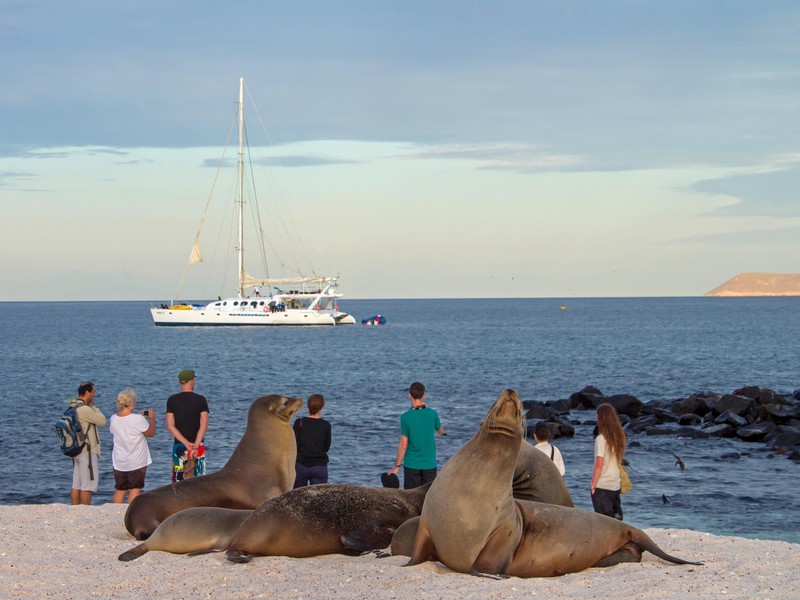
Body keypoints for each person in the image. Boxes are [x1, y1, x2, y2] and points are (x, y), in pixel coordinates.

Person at [388, 381, 445, 489]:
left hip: (411, 465)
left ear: (409, 395)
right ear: (424, 395)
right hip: (429, 464)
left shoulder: (405, 417)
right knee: (427, 499)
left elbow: (403, 444)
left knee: (411, 498)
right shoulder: (432, 413)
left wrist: (397, 466)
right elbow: (441, 431)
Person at [109, 388, 156, 503]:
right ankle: (130, 514)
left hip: (120, 461)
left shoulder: (113, 418)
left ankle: (114, 514)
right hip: (136, 461)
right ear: (131, 403)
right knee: (135, 489)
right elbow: (150, 433)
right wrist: (151, 419)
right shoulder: (137, 419)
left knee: (120, 489)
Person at [166, 369, 209, 482]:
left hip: (179, 446)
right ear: (192, 381)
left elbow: (170, 426)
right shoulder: (201, 400)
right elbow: (203, 425)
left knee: (178, 482)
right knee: (198, 483)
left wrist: (185, 443)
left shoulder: (172, 400)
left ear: (180, 382)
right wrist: (195, 445)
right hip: (198, 446)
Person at [69, 381, 107, 505]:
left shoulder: (72, 405)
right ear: (87, 393)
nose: (94, 394)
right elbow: (102, 420)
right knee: (87, 485)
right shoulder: (85, 409)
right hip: (87, 450)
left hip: (76, 449)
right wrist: (93, 407)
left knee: (76, 483)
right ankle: (85, 510)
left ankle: (74, 508)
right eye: (93, 392)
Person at [590, 403, 626, 520]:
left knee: (604, 522)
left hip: (603, 485)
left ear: (601, 418)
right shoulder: (619, 437)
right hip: (615, 484)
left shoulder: (600, 439)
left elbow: (599, 464)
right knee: (616, 521)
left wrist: (593, 485)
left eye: (597, 416)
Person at [292, 394, 332, 487]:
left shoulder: (299, 422)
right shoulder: (326, 425)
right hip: (319, 466)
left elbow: (295, 444)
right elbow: (326, 446)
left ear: (308, 406)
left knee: (298, 498)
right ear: (322, 407)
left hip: (301, 466)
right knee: (319, 498)